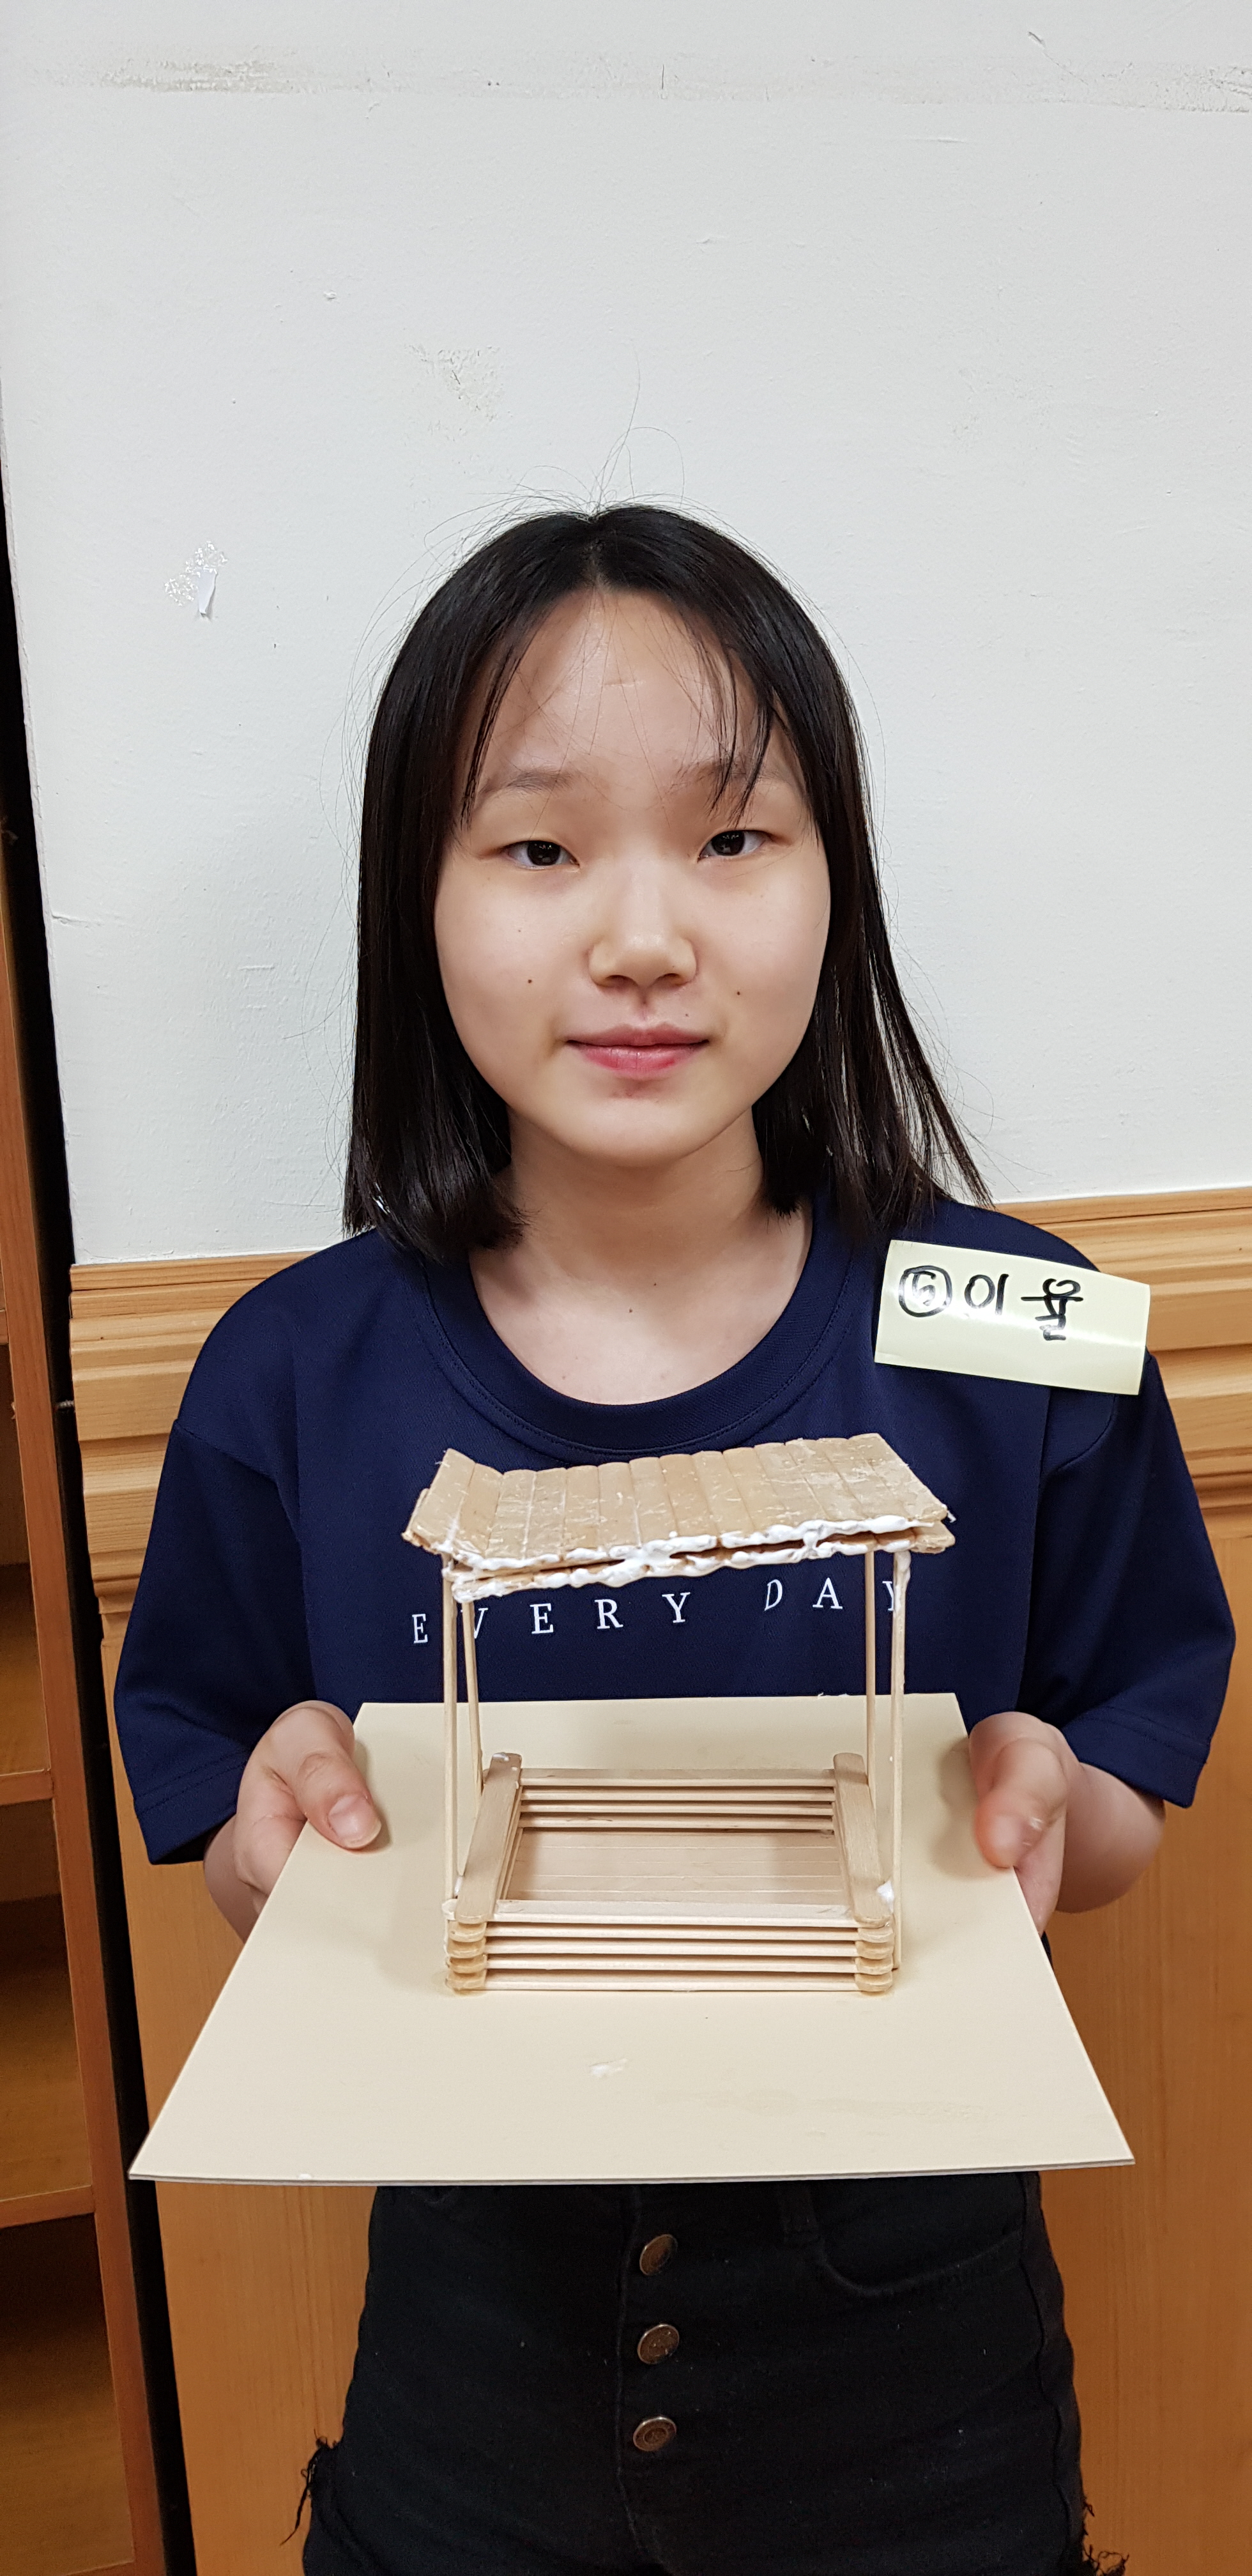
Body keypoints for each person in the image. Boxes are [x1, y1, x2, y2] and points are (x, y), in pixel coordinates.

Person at [114, 506, 1233, 2576]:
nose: (644, 937)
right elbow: (231, 1810)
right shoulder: (291, 1369)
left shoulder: (1026, 1322)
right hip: (473, 2375)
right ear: (419, 897)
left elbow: (1122, 1773)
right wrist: (276, 1851)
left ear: (836, 880)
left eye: (733, 838)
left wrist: (1052, 1804)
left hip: (918, 2381)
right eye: (539, 846)